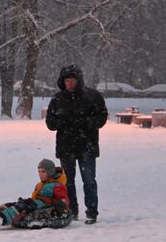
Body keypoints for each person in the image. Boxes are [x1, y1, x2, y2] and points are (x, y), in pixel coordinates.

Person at [45, 64, 108, 225]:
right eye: (67, 81)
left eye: (72, 80)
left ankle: (91, 212)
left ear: (78, 80)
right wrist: (64, 121)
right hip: (66, 147)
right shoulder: (57, 99)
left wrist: (83, 122)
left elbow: (101, 118)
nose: (70, 84)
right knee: (68, 181)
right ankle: (72, 211)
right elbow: (50, 123)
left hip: (86, 146)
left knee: (89, 181)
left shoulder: (93, 97)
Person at [0, 159, 72, 229]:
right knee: (14, 204)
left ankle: (2, 217)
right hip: (36, 203)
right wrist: (28, 202)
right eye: (39, 171)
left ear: (50, 172)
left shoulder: (57, 185)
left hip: (47, 206)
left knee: (22, 206)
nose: (40, 174)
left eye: (43, 172)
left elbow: (63, 199)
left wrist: (61, 204)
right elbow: (34, 197)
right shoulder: (40, 184)